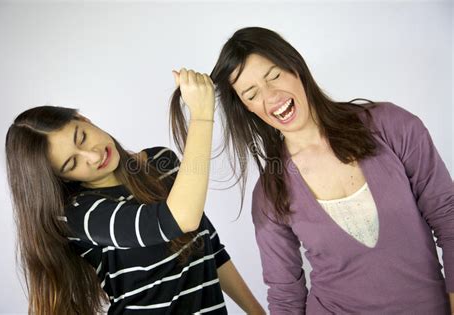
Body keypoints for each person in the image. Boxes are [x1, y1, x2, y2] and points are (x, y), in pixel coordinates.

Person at [171, 27, 454, 314]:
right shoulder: (270, 195)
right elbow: (285, 295)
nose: (271, 96)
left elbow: (449, 219)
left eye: (274, 75)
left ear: (295, 67)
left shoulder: (391, 126)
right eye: (252, 94)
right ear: (247, 108)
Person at [5, 69, 265, 315]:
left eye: (81, 137)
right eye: (72, 163)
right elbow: (177, 219)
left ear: (84, 120)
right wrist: (201, 115)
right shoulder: (81, 215)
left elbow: (212, 250)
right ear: (62, 178)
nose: (93, 156)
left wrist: (257, 312)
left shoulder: (162, 162)